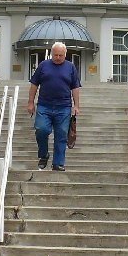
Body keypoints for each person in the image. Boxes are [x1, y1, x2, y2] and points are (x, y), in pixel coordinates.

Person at [27, 41, 81, 171]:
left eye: (60, 55)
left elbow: (75, 87)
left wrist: (76, 105)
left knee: (61, 134)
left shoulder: (70, 67)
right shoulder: (43, 65)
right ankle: (43, 155)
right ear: (51, 54)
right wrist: (30, 102)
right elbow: (34, 84)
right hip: (44, 106)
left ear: (65, 54)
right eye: (55, 55)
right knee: (41, 130)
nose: (57, 58)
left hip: (63, 107)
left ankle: (58, 163)